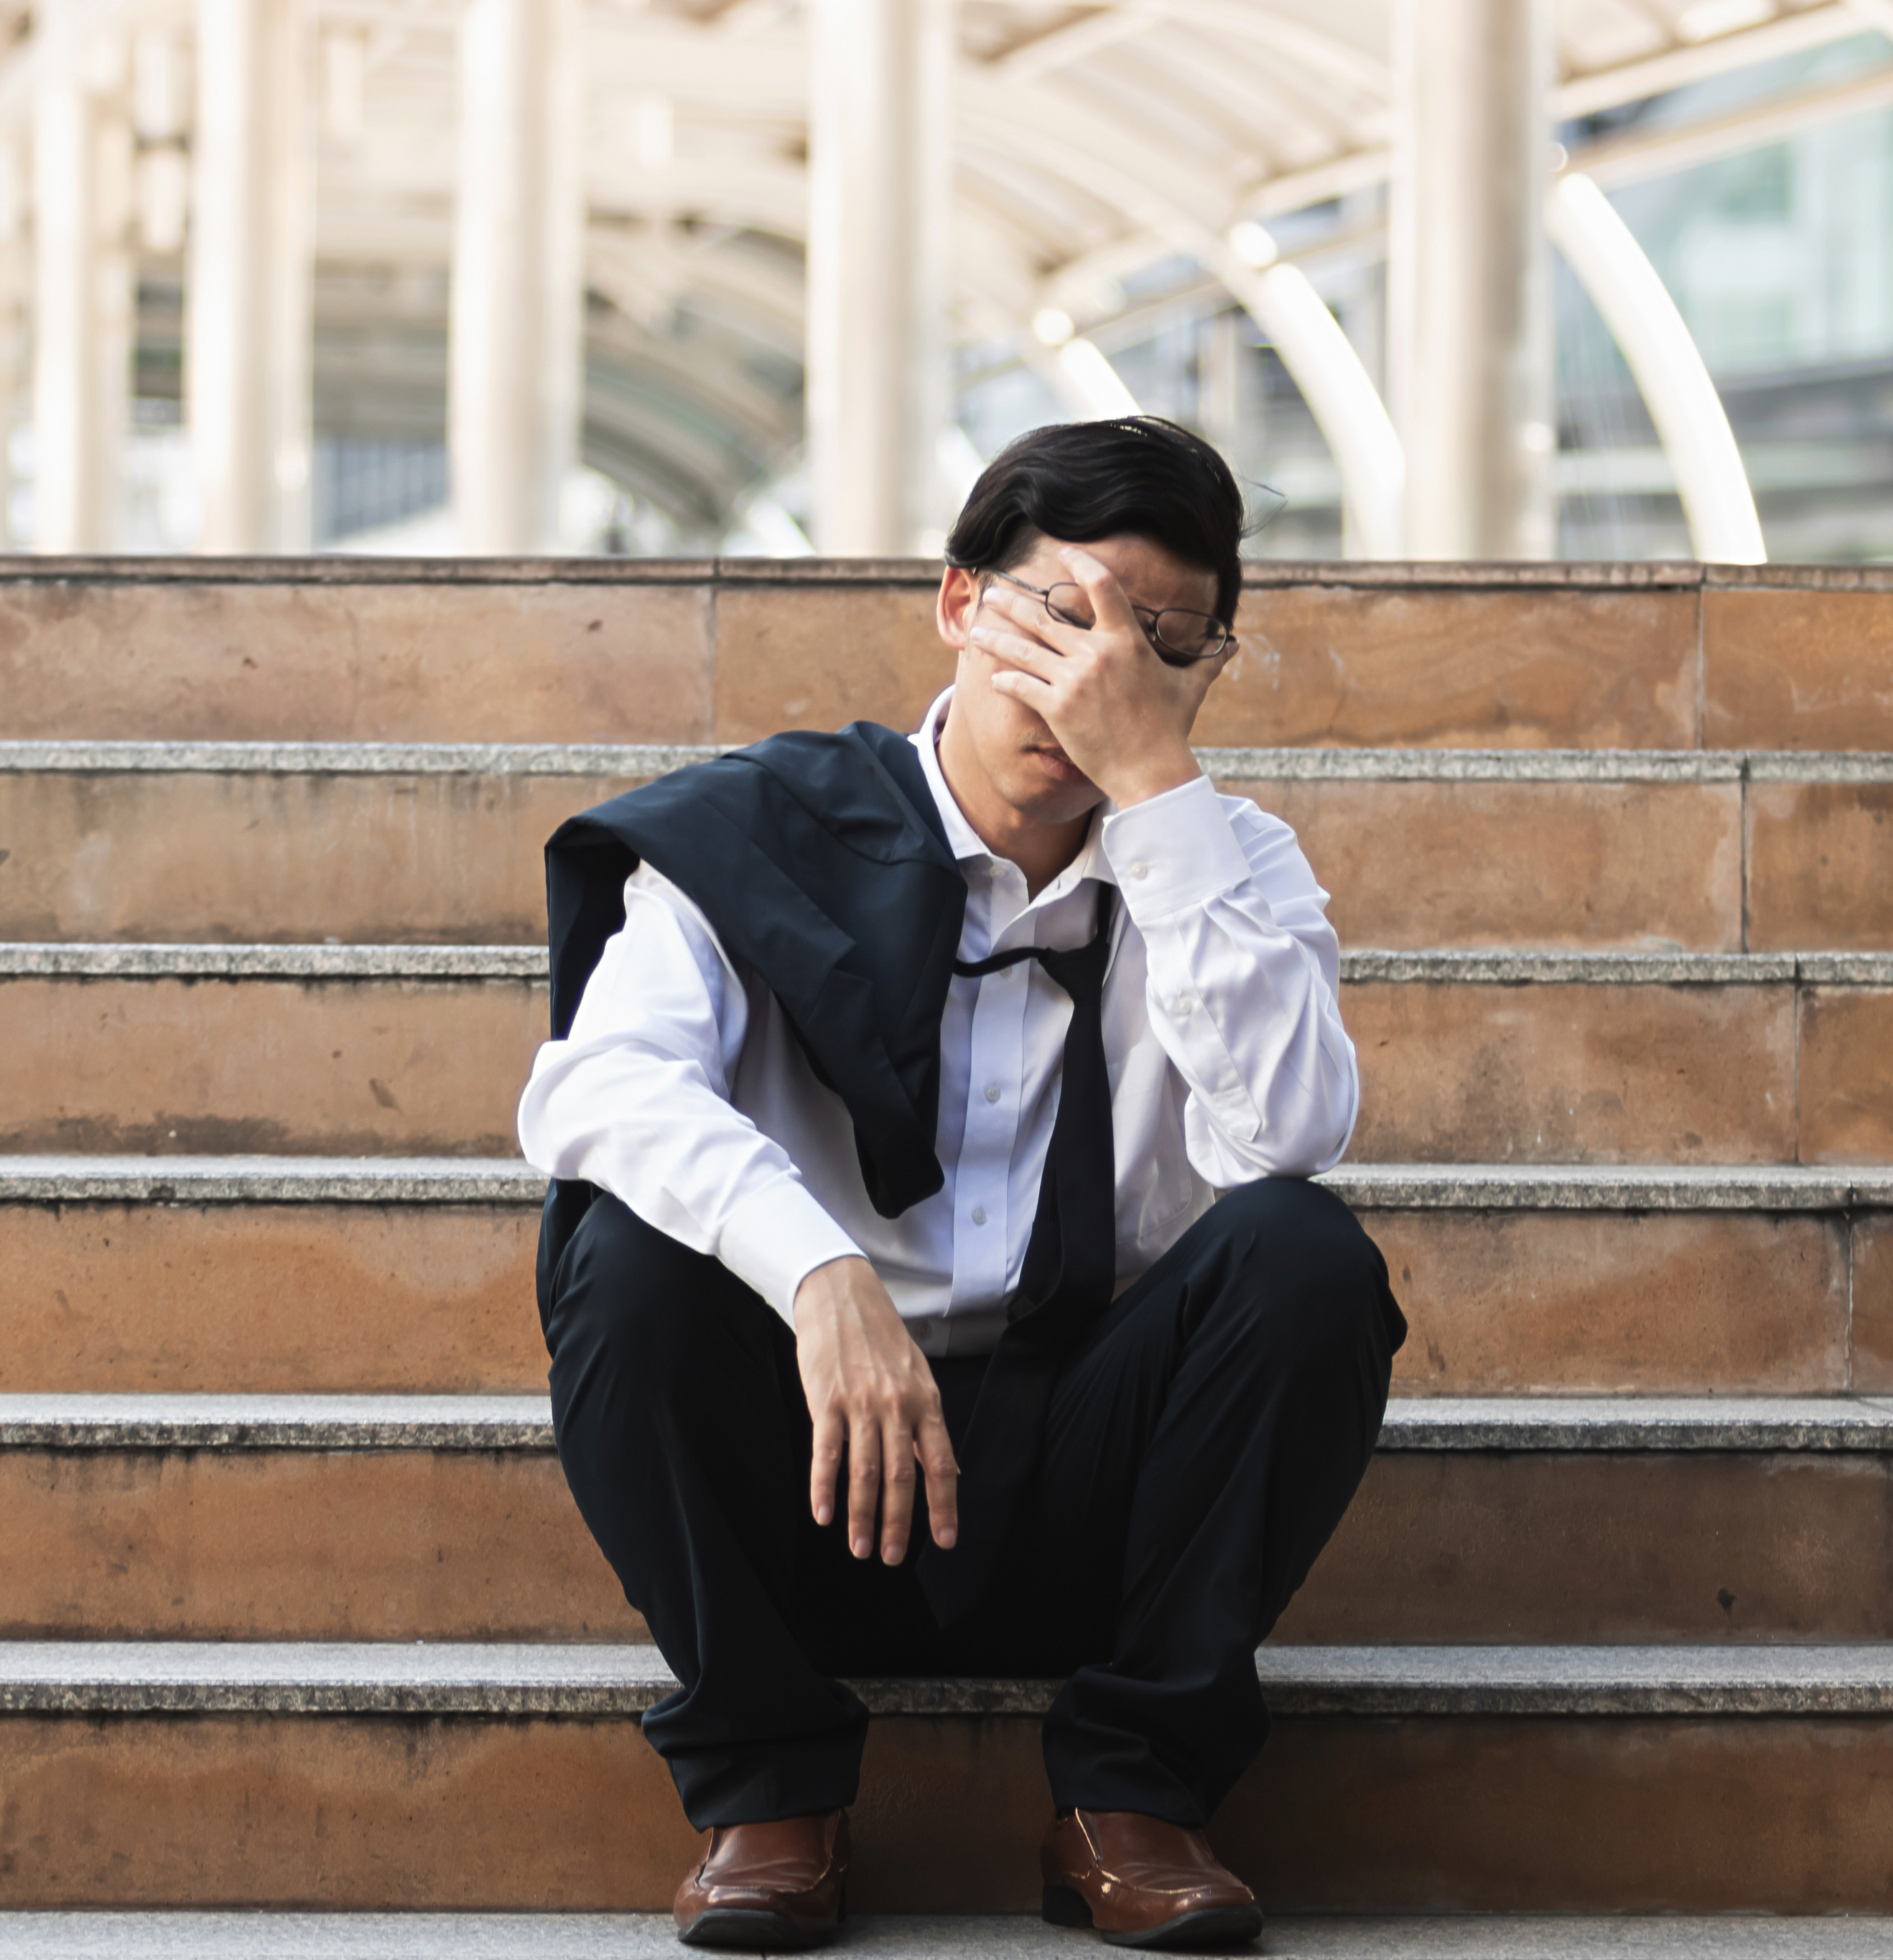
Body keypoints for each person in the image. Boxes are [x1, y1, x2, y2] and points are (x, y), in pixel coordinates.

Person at [519, 415, 1403, 1951]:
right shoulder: (760, 834)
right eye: (1063, 617)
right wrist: (816, 1271)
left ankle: (1132, 1796)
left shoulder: (1227, 863)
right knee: (624, 1253)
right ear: (957, 603)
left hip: (1089, 1481)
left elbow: (1286, 1139)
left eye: (1157, 649)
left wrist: (1159, 800)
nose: (1091, 680)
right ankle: (767, 1791)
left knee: (1303, 1256)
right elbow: (595, 1085)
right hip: (807, 1474)